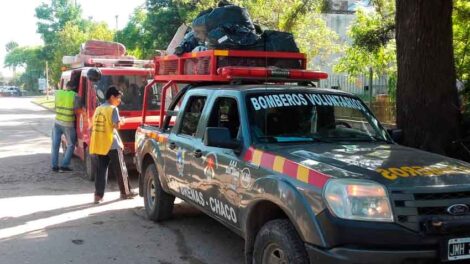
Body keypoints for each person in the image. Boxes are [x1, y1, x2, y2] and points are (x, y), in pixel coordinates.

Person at [89, 86, 137, 204]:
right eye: (118, 98)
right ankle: (125, 192)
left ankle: (98, 196)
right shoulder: (113, 109)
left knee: (101, 171)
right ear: (112, 97)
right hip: (112, 143)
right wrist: (122, 120)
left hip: (100, 143)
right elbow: (116, 125)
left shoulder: (99, 109)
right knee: (121, 169)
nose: (119, 101)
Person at [51, 81, 79, 172]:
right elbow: (77, 110)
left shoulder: (58, 93)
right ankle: (64, 165)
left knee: (55, 145)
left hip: (57, 122)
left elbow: (55, 107)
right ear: (74, 87)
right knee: (71, 145)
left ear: (66, 86)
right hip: (68, 124)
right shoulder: (75, 95)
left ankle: (54, 166)